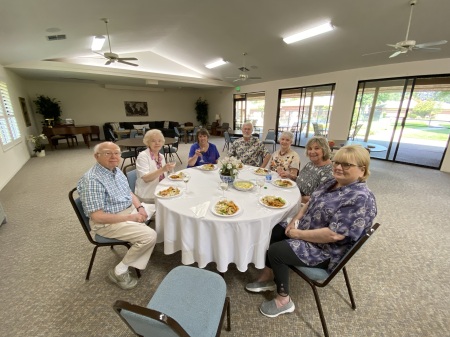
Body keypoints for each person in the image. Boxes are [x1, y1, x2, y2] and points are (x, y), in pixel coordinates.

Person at [245, 145, 377, 318]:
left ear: (362, 170)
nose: (338, 167)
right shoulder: (333, 182)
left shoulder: (360, 198)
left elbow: (333, 235)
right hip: (309, 229)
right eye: (337, 162)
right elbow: (310, 202)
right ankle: (268, 274)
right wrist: (294, 222)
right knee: (276, 229)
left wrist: (297, 234)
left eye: (346, 165)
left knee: (277, 251)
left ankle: (283, 300)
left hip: (327, 250)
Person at [77, 141, 157, 290]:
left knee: (160, 209)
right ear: (97, 156)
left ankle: (144, 248)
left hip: (128, 210)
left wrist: (139, 207)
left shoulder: (115, 170)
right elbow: (97, 217)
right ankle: (118, 271)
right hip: (107, 222)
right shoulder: (92, 180)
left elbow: (129, 193)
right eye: (108, 153)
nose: (114, 156)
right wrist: (131, 218)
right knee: (149, 236)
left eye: (117, 153)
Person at [135, 129, 173, 203]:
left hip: (162, 189)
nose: (157, 143)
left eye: (159, 141)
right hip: (148, 194)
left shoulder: (161, 156)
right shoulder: (143, 156)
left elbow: (164, 175)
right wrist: (162, 169)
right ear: (148, 142)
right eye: (153, 141)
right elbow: (146, 178)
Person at [297, 136, 333, 204]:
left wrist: (296, 198)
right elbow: (302, 180)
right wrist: (290, 175)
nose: (312, 152)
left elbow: (321, 198)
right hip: (296, 196)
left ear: (324, 150)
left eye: (316, 148)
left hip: (307, 206)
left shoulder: (328, 171)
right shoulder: (310, 164)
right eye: (310, 149)